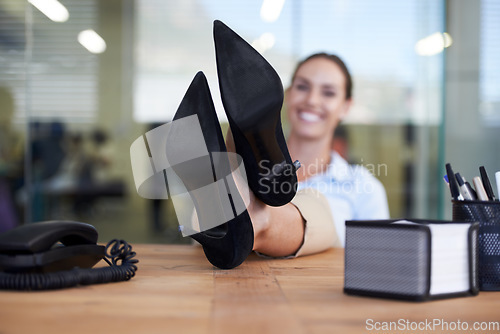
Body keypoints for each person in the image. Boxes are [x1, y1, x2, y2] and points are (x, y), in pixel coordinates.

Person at [237, 53, 389, 258]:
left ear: (345, 107)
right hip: (250, 284)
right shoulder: (247, 172)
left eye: (328, 93)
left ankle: (256, 224)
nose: (312, 100)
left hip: (323, 286)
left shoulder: (363, 187)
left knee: (322, 219)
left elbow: (378, 262)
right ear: (288, 94)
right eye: (302, 87)